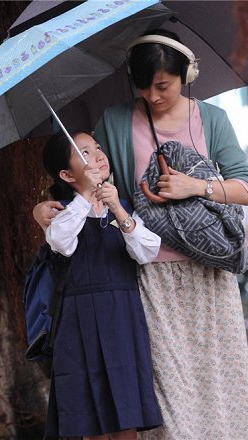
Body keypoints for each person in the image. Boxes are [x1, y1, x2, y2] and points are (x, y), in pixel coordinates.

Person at [34, 30, 248, 439]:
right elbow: (87, 176)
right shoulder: (117, 121)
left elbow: (246, 189)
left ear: (185, 74)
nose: (153, 96)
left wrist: (197, 186)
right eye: (144, 86)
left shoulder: (212, 119)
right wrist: (40, 207)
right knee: (168, 396)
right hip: (151, 277)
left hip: (210, 278)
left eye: (163, 86)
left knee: (220, 388)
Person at [40, 129, 163, 439]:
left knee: (127, 415)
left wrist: (118, 209)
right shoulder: (61, 211)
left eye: (96, 148)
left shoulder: (120, 204)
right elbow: (60, 242)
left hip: (122, 316)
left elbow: (147, 250)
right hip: (78, 321)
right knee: (89, 419)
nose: (97, 155)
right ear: (67, 174)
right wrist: (86, 198)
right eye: (84, 153)